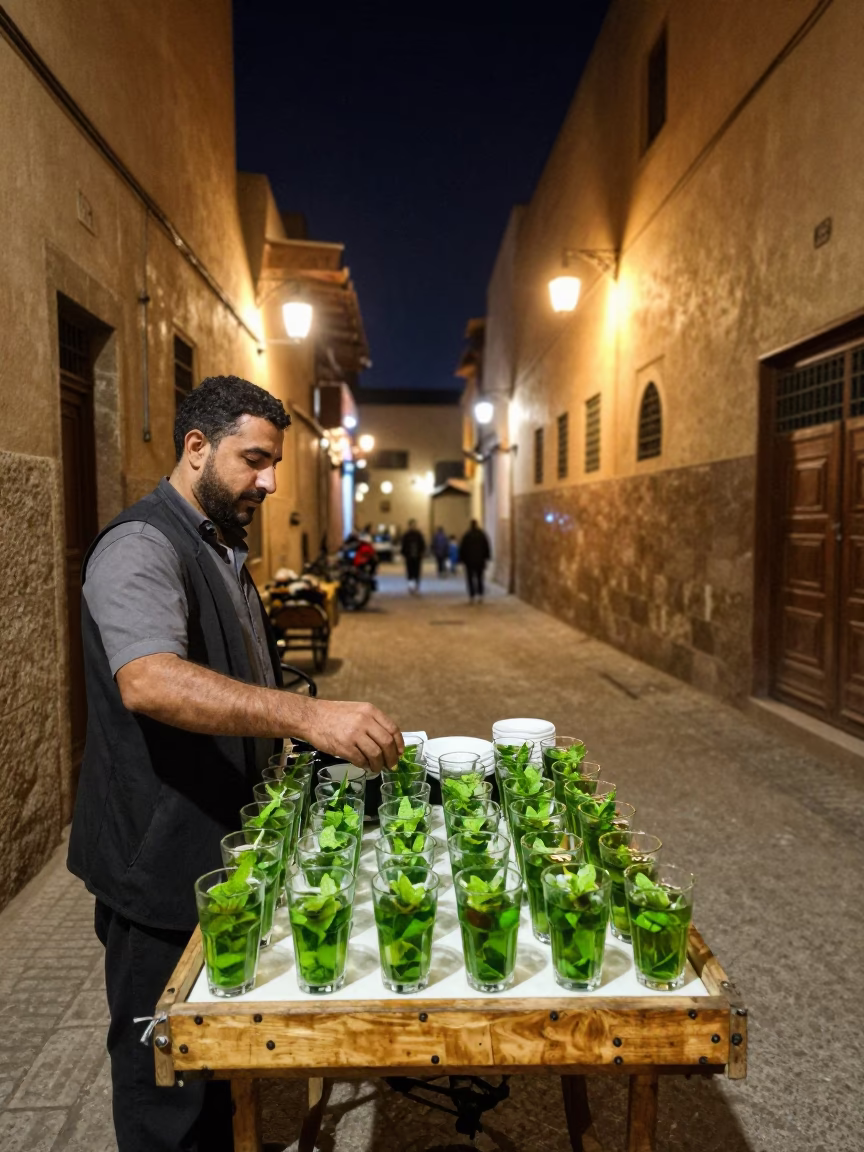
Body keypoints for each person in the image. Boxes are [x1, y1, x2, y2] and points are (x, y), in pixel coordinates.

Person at [67, 376, 402, 1152]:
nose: (271, 481)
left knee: (212, 1061)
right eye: (255, 460)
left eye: (274, 463)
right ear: (196, 448)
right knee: (164, 1079)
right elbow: (148, 679)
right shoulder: (141, 545)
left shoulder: (217, 543)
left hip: (215, 854)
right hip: (156, 865)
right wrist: (308, 715)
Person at [459, 519, 492, 604]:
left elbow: (462, 548)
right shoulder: (482, 535)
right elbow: (486, 546)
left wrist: (462, 560)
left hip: (469, 561)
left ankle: (472, 595)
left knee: (470, 578)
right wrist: (487, 558)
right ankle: (480, 595)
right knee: (480, 578)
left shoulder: (467, 535)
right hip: (480, 561)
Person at [400, 518, 426, 594]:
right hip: (409, 557)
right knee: (410, 571)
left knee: (417, 571)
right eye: (412, 525)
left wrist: (422, 552)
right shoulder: (406, 535)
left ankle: (417, 585)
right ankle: (411, 586)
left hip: (417, 557)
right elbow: (403, 545)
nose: (413, 526)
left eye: (414, 525)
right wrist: (404, 554)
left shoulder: (419, 534)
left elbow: (422, 545)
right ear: (409, 526)